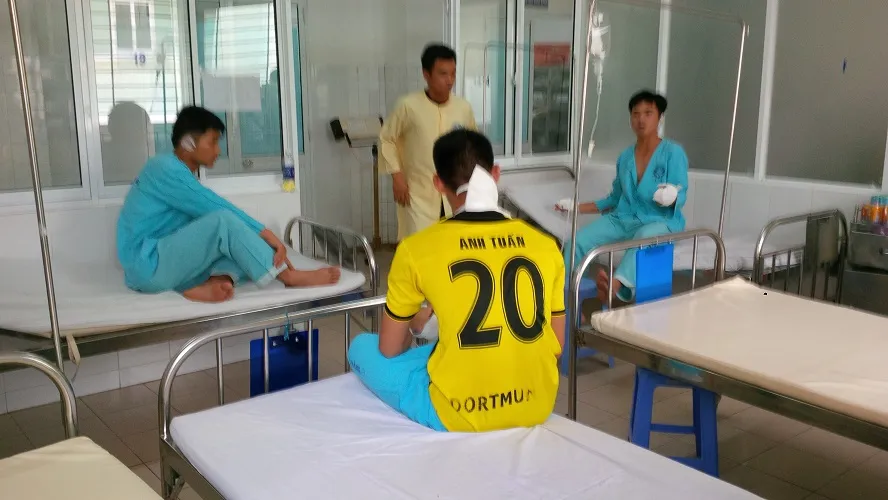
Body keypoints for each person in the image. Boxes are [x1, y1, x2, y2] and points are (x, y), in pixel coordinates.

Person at [348, 129, 566, 433]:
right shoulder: (546, 245)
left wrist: (414, 322)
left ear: (438, 183)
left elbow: (389, 349)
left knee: (361, 346)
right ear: (496, 174)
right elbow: (556, 346)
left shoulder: (416, 249)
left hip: (457, 412)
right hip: (535, 404)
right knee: (443, 348)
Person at [117, 105, 340, 303]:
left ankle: (211, 283)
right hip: (148, 265)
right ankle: (288, 276)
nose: (218, 151)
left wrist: (259, 237)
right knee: (224, 223)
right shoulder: (164, 169)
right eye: (213, 142)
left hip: (164, 262)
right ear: (188, 143)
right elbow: (216, 207)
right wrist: (267, 234)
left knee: (240, 247)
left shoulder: (175, 171)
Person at [558, 90, 688, 303]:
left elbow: (681, 191)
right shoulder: (625, 157)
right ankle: (568, 301)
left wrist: (673, 195)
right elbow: (614, 199)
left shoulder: (673, 153)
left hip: (660, 220)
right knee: (577, 242)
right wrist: (576, 206)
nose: (641, 119)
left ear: (660, 117)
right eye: (636, 114)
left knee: (644, 236)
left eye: (648, 113)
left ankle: (614, 286)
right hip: (623, 218)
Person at [379, 43, 477, 242]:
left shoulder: (463, 108)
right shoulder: (408, 106)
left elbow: (473, 146)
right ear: (426, 74)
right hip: (417, 194)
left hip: (454, 193)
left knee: (452, 244)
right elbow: (386, 138)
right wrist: (397, 177)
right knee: (420, 245)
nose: (450, 80)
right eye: (443, 74)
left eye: (453, 73)